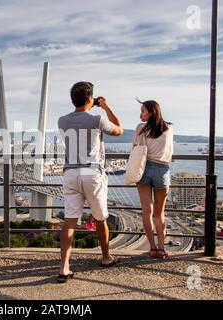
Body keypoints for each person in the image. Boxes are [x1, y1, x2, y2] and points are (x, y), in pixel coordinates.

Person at [57, 82, 124, 283]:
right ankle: (105, 257)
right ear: (90, 99)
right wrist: (104, 106)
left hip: (70, 173)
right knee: (100, 218)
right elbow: (119, 130)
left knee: (70, 221)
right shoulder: (98, 119)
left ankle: (64, 267)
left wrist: (88, 105)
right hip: (92, 172)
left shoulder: (62, 121)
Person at [133, 99, 173, 259]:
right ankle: (162, 248)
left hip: (144, 169)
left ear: (151, 112)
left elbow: (136, 149)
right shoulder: (169, 127)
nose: (140, 114)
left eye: (143, 110)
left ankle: (152, 247)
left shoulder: (140, 128)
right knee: (159, 213)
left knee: (146, 211)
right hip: (162, 170)